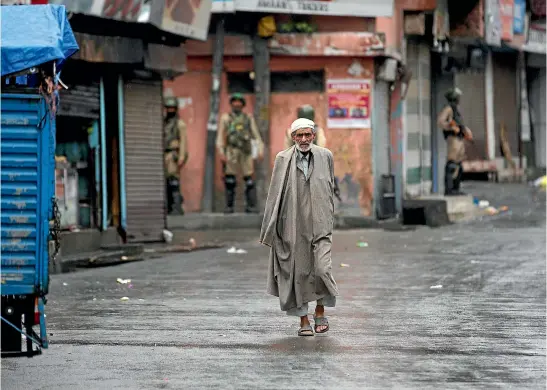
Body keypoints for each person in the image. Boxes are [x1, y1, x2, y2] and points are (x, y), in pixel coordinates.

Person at [260, 118, 339, 337]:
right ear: (293, 137)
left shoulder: (325, 156)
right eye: (299, 136)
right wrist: (271, 228)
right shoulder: (282, 159)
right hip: (293, 224)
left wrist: (329, 215)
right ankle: (304, 320)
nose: (303, 140)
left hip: (320, 222)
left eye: (307, 135)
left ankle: (320, 310)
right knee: (298, 272)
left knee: (322, 268)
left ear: (313, 135)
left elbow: (329, 187)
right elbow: (274, 195)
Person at [217, 93, 264, 213]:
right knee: (230, 180)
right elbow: (221, 136)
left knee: (249, 180)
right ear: (231, 104)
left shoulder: (248, 118)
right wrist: (221, 152)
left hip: (245, 151)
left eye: (239, 102)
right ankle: (229, 207)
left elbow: (256, 136)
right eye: (235, 102)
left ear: (242, 105)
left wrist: (259, 150)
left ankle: (251, 207)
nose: (237, 104)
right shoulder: (226, 118)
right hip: (231, 150)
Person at [437, 87, 473, 196]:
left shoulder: (456, 110)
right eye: (458, 97)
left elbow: (461, 125)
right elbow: (440, 122)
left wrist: (466, 131)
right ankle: (449, 189)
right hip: (453, 139)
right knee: (452, 163)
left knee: (459, 164)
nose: (459, 99)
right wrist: (450, 127)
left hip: (460, 138)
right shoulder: (448, 109)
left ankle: (456, 188)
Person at [163, 97, 188, 215]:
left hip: (173, 154)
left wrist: (182, 157)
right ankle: (168, 206)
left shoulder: (179, 123)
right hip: (164, 154)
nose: (170, 110)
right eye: (168, 108)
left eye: (172, 108)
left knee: (174, 182)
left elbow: (183, 141)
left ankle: (176, 206)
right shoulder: (163, 122)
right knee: (165, 182)